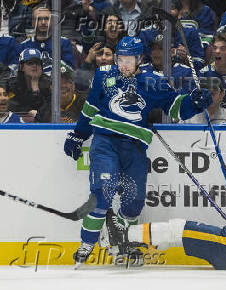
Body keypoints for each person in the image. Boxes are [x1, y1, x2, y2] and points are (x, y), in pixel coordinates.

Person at [63, 36, 213, 267]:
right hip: (105, 142)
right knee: (103, 193)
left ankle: (119, 235)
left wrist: (194, 102)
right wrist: (78, 134)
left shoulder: (154, 81)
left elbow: (175, 108)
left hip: (134, 147)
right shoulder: (104, 75)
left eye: (128, 59)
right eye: (119, 58)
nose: (123, 64)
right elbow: (90, 108)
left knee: (134, 203)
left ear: (139, 59)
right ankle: (87, 243)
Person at [18, 4, 76, 74]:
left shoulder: (63, 43)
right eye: (39, 19)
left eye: (46, 19)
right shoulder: (23, 46)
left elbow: (69, 71)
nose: (43, 22)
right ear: (33, 23)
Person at [8, 48, 51, 121]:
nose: (34, 66)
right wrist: (28, 111)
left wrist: (35, 84)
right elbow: (10, 104)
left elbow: (51, 106)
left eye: (37, 63)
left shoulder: (49, 84)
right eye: (30, 63)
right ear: (22, 67)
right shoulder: (12, 84)